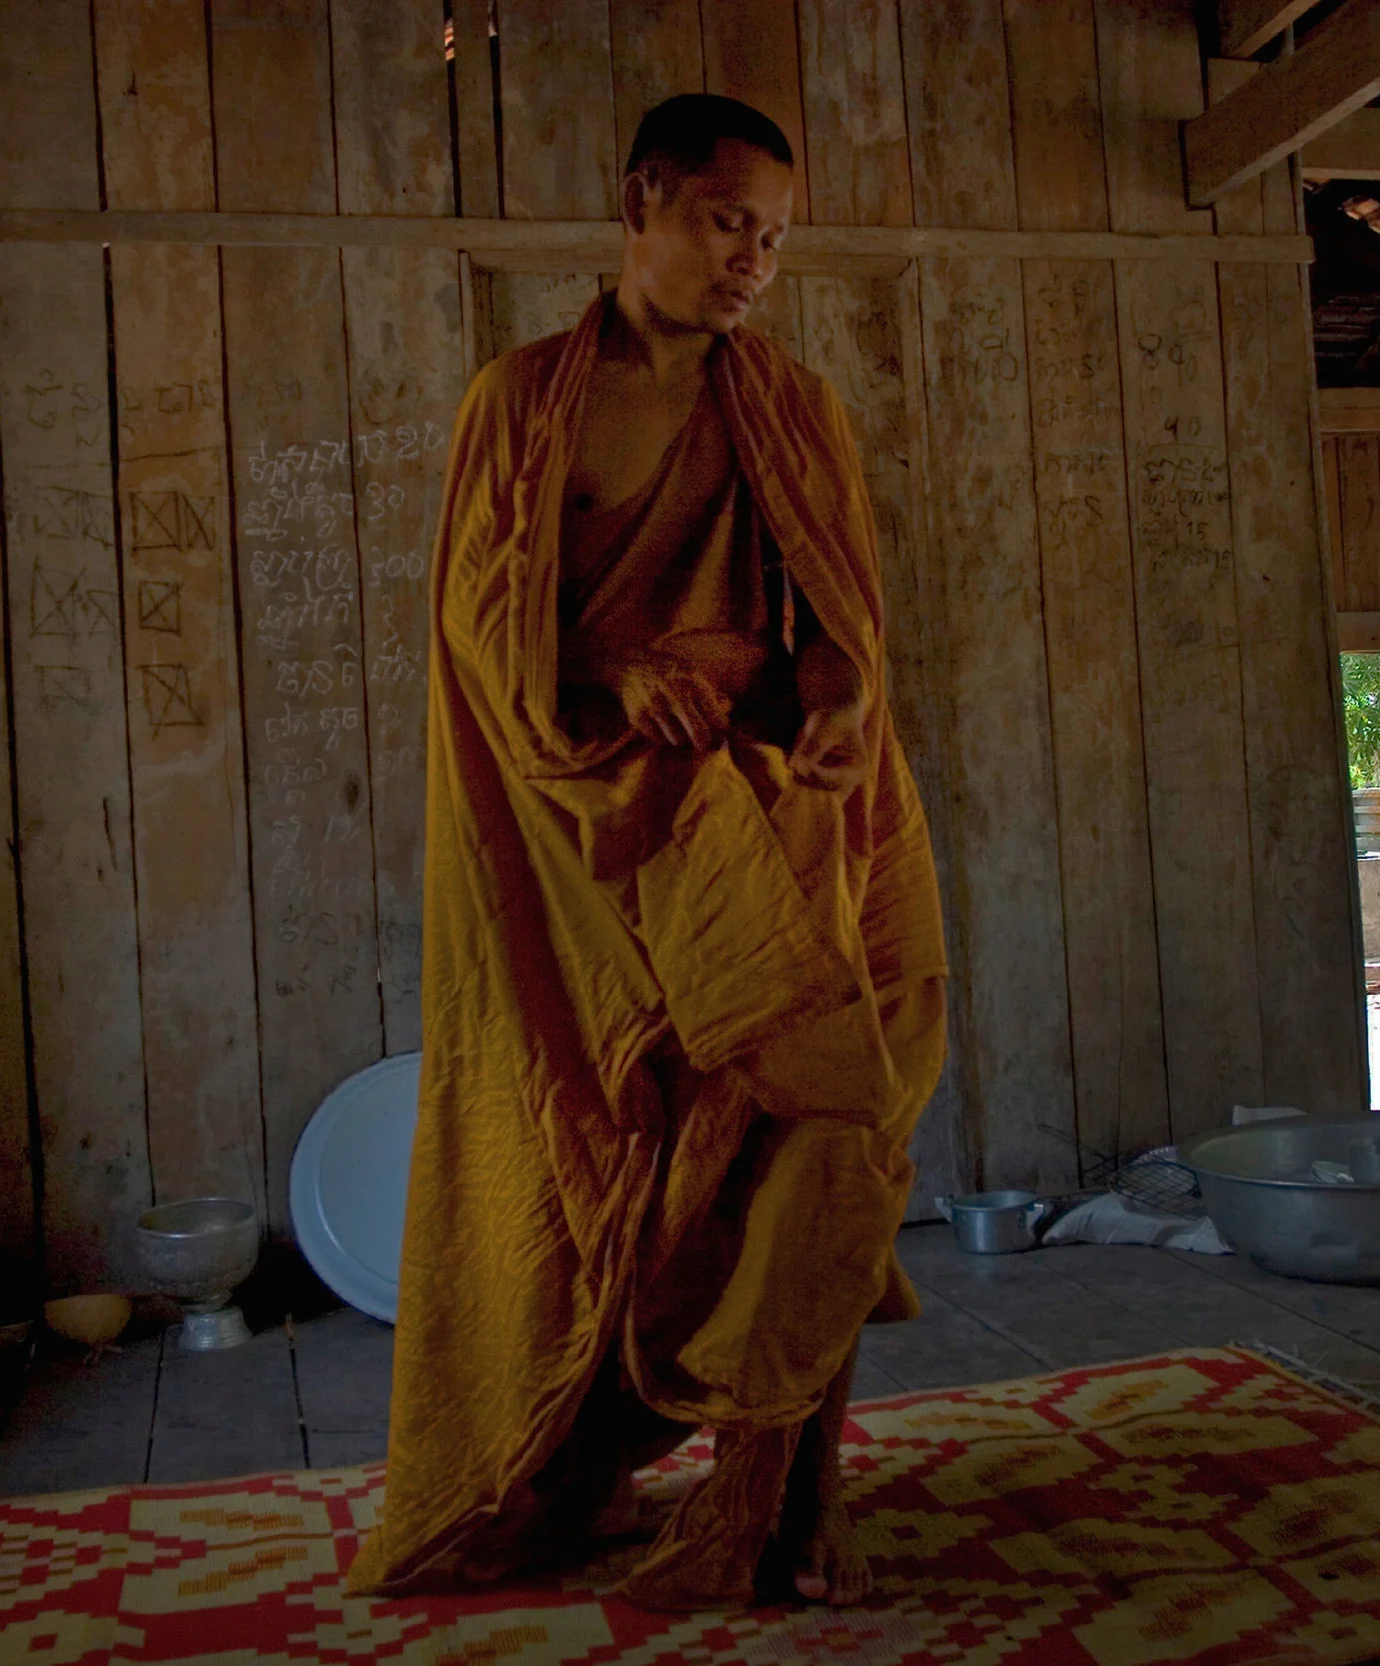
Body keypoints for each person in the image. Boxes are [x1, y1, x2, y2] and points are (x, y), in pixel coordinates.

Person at [342, 93, 948, 1612]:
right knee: (607, 1171)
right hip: (592, 848)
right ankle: (557, 1476)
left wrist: (832, 698)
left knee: (829, 1122)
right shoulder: (524, 400)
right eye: (729, 222)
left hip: (767, 831)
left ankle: (784, 1496)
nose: (754, 260)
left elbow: (842, 636)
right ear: (643, 200)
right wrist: (621, 681)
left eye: (775, 239)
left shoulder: (794, 409)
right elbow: (489, 645)